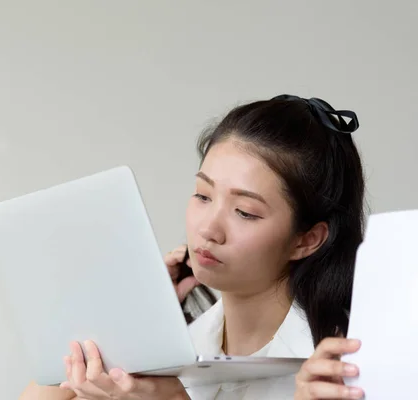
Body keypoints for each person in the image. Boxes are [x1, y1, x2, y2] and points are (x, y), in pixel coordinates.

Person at [19, 94, 367, 400]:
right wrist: (119, 321)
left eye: (245, 212)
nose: (208, 229)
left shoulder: (343, 370)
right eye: (202, 195)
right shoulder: (175, 352)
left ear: (307, 240)